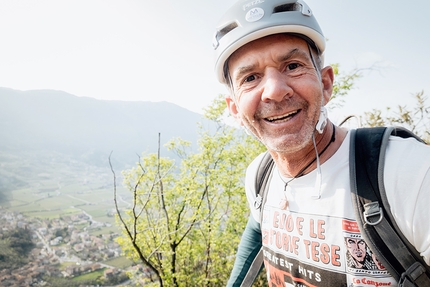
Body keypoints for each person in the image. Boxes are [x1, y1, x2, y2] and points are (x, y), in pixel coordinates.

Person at [212, 0, 430, 286]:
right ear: (235, 109)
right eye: (250, 78)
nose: (275, 91)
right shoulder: (260, 176)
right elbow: (256, 229)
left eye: (292, 66)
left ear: (326, 84)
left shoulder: (408, 173)